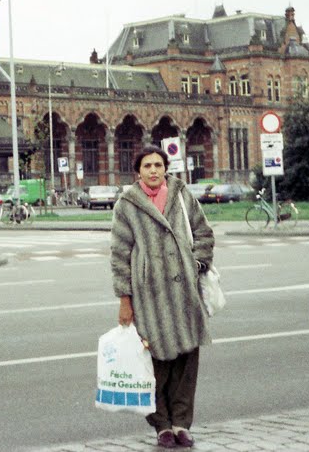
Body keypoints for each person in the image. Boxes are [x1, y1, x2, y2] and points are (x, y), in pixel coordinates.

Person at [109, 144, 214, 449]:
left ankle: (181, 424)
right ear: (138, 171)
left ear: (165, 168)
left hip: (185, 293)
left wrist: (196, 264)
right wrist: (124, 299)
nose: (153, 170)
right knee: (155, 367)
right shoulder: (127, 205)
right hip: (149, 298)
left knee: (186, 364)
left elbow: (204, 233)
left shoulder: (182, 195)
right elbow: (119, 255)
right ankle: (161, 425)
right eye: (147, 166)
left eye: (158, 165)